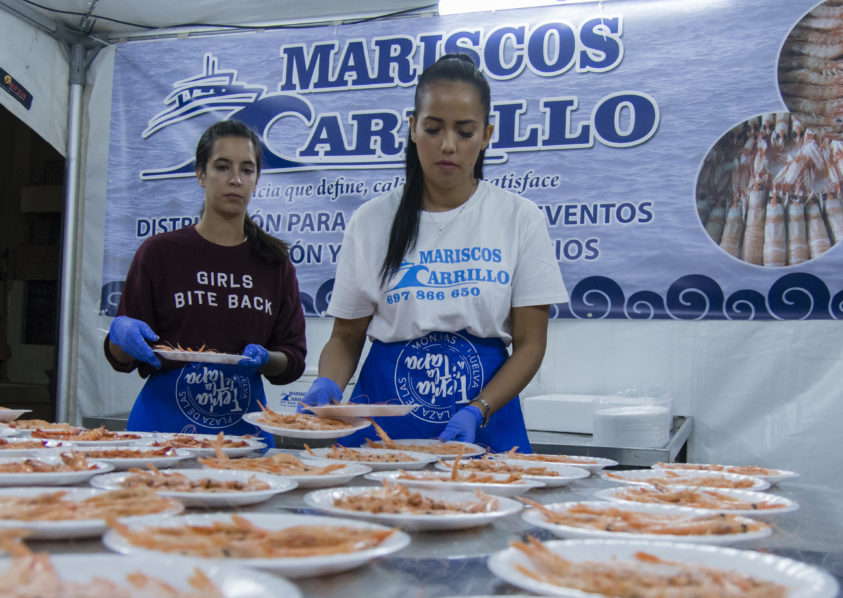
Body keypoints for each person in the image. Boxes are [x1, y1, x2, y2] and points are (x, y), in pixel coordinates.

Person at [302, 53, 567, 452]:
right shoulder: (370, 220)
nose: (447, 145)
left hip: (484, 420)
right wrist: (328, 382)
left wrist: (479, 408)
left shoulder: (519, 217)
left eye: (465, 132)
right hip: (385, 427)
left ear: (487, 135)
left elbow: (531, 344)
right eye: (432, 128)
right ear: (412, 128)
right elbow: (345, 336)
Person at [104, 120, 307, 443]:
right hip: (161, 434)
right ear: (200, 174)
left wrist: (267, 359)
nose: (235, 179)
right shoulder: (159, 253)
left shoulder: (275, 264)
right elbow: (121, 358)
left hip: (244, 439)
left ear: (256, 181)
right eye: (222, 167)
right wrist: (120, 334)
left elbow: (292, 360)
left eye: (247, 170)